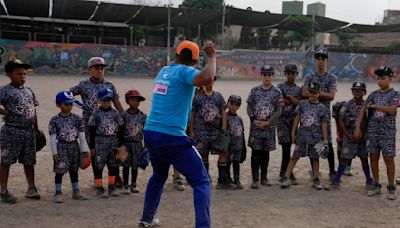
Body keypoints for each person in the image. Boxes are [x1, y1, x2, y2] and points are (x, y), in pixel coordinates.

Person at [139, 41, 216, 228]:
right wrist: (212, 56)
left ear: (177, 54)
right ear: (194, 61)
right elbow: (207, 78)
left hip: (151, 133)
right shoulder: (185, 71)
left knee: (158, 175)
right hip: (171, 136)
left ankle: (147, 219)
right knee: (201, 181)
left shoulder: (164, 72)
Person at [69, 57, 124, 187]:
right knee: (96, 151)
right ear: (90, 70)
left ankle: (115, 176)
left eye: (102, 69)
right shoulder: (83, 85)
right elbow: (67, 94)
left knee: (113, 151)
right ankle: (97, 179)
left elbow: (117, 103)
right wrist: (80, 105)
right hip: (90, 125)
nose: (100, 71)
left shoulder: (109, 86)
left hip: (109, 125)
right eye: (97, 68)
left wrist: (123, 117)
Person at [354, 66, 399, 200]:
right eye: (378, 78)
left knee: (388, 159)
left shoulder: (395, 94)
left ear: (391, 79)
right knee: (373, 157)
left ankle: (391, 186)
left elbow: (392, 110)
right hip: (373, 131)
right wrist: (357, 127)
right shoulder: (373, 94)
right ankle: (376, 183)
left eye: (383, 78)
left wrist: (375, 106)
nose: (380, 81)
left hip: (388, 132)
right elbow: (363, 109)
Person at [0, 59, 41, 204]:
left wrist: (36, 128)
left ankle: (31, 188)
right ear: (9, 74)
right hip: (11, 131)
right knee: (5, 161)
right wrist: (5, 112)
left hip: (28, 132)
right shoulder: (5, 90)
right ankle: (3, 190)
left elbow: (33, 110)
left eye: (24, 74)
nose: (23, 77)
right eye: (18, 74)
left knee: (29, 161)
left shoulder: (29, 91)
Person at [281, 81, 328, 190]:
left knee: (315, 158)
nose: (312, 95)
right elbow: (297, 118)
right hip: (302, 135)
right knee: (295, 156)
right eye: (310, 92)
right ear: (308, 93)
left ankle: (316, 179)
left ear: (319, 93)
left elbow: (324, 123)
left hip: (315, 137)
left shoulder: (322, 108)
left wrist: (325, 139)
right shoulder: (302, 104)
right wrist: (293, 132)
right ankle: (286, 177)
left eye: (315, 93)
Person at [302, 47, 337, 181]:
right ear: (315, 61)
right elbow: (304, 93)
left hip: (325, 117)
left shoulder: (332, 78)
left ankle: (332, 171)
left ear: (326, 61)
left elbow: (332, 96)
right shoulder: (309, 76)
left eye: (323, 59)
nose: (320, 61)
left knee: (327, 142)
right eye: (318, 59)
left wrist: (314, 92)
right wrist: (321, 94)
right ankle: (314, 171)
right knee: (313, 144)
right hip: (311, 117)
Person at [190, 76, 231, 189]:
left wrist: (223, 129)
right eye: (207, 80)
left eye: (212, 80)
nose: (209, 82)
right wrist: (192, 130)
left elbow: (223, 112)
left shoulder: (218, 96)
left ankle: (221, 180)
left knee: (223, 153)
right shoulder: (198, 98)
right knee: (203, 155)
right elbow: (193, 114)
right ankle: (205, 178)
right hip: (201, 131)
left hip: (216, 131)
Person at [330, 82, 373, 189]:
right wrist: (346, 134)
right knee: (344, 158)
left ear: (364, 92)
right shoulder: (348, 104)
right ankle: (337, 180)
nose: (357, 92)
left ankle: (368, 180)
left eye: (359, 90)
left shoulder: (367, 106)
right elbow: (340, 119)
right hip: (348, 136)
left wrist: (364, 134)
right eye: (354, 90)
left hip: (362, 137)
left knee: (364, 158)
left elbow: (370, 121)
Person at [49, 91, 90, 203]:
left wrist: (84, 150)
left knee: (74, 170)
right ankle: (58, 192)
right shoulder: (54, 120)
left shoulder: (77, 118)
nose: (69, 106)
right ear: (58, 105)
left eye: (70, 104)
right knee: (60, 171)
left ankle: (76, 191)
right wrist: (54, 152)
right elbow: (52, 138)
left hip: (74, 147)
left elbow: (81, 136)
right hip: (61, 147)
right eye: (65, 104)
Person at [247, 65, 283, 189]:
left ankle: (264, 177)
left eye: (270, 75)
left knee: (265, 153)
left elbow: (279, 111)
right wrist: (254, 120)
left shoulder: (277, 92)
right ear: (261, 75)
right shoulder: (254, 91)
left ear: (273, 76)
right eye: (265, 75)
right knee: (255, 152)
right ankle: (255, 179)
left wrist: (269, 122)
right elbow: (249, 106)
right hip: (256, 127)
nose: (267, 77)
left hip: (269, 127)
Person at [88, 89, 125, 198]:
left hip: (113, 141)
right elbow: (92, 130)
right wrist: (92, 146)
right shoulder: (95, 114)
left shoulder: (115, 113)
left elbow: (121, 129)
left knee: (113, 165)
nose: (106, 102)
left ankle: (111, 186)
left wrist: (121, 144)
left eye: (109, 100)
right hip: (100, 141)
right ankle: (99, 187)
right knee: (99, 165)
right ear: (99, 101)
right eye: (104, 100)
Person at [277, 64, 301, 184]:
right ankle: (286, 173)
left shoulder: (299, 89)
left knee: (292, 148)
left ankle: (286, 172)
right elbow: (280, 102)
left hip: (294, 121)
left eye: (293, 73)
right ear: (285, 74)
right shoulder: (279, 87)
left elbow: (299, 103)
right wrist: (293, 100)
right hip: (282, 121)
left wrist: (290, 98)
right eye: (289, 73)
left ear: (296, 74)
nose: (291, 75)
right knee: (285, 147)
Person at [121, 90, 147, 194]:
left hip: (137, 143)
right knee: (126, 165)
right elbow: (120, 130)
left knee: (135, 165)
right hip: (126, 144)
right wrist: (121, 144)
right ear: (127, 101)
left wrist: (146, 143)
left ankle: (134, 184)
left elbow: (146, 130)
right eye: (132, 100)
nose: (135, 102)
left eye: (137, 100)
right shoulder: (123, 115)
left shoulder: (142, 116)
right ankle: (126, 185)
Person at [225, 95, 246, 189]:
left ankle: (237, 180)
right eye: (232, 104)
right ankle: (228, 179)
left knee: (236, 163)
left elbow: (242, 134)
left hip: (238, 146)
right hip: (228, 147)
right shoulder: (225, 117)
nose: (234, 107)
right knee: (227, 163)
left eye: (237, 105)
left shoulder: (239, 119)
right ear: (228, 104)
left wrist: (244, 148)